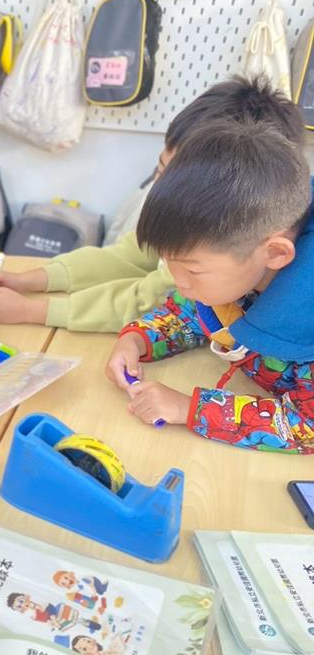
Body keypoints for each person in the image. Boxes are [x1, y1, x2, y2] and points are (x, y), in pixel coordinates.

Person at [0, 76, 307, 332]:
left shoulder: (220, 245)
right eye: (160, 169)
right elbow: (127, 256)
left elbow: (147, 300)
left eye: (174, 177)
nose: (160, 188)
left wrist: (33, 310)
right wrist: (33, 280)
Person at [105, 119, 314, 453]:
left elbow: (306, 425)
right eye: (169, 262)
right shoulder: (238, 271)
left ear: (275, 253)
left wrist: (189, 408)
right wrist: (136, 340)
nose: (178, 281)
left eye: (192, 269)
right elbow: (192, 313)